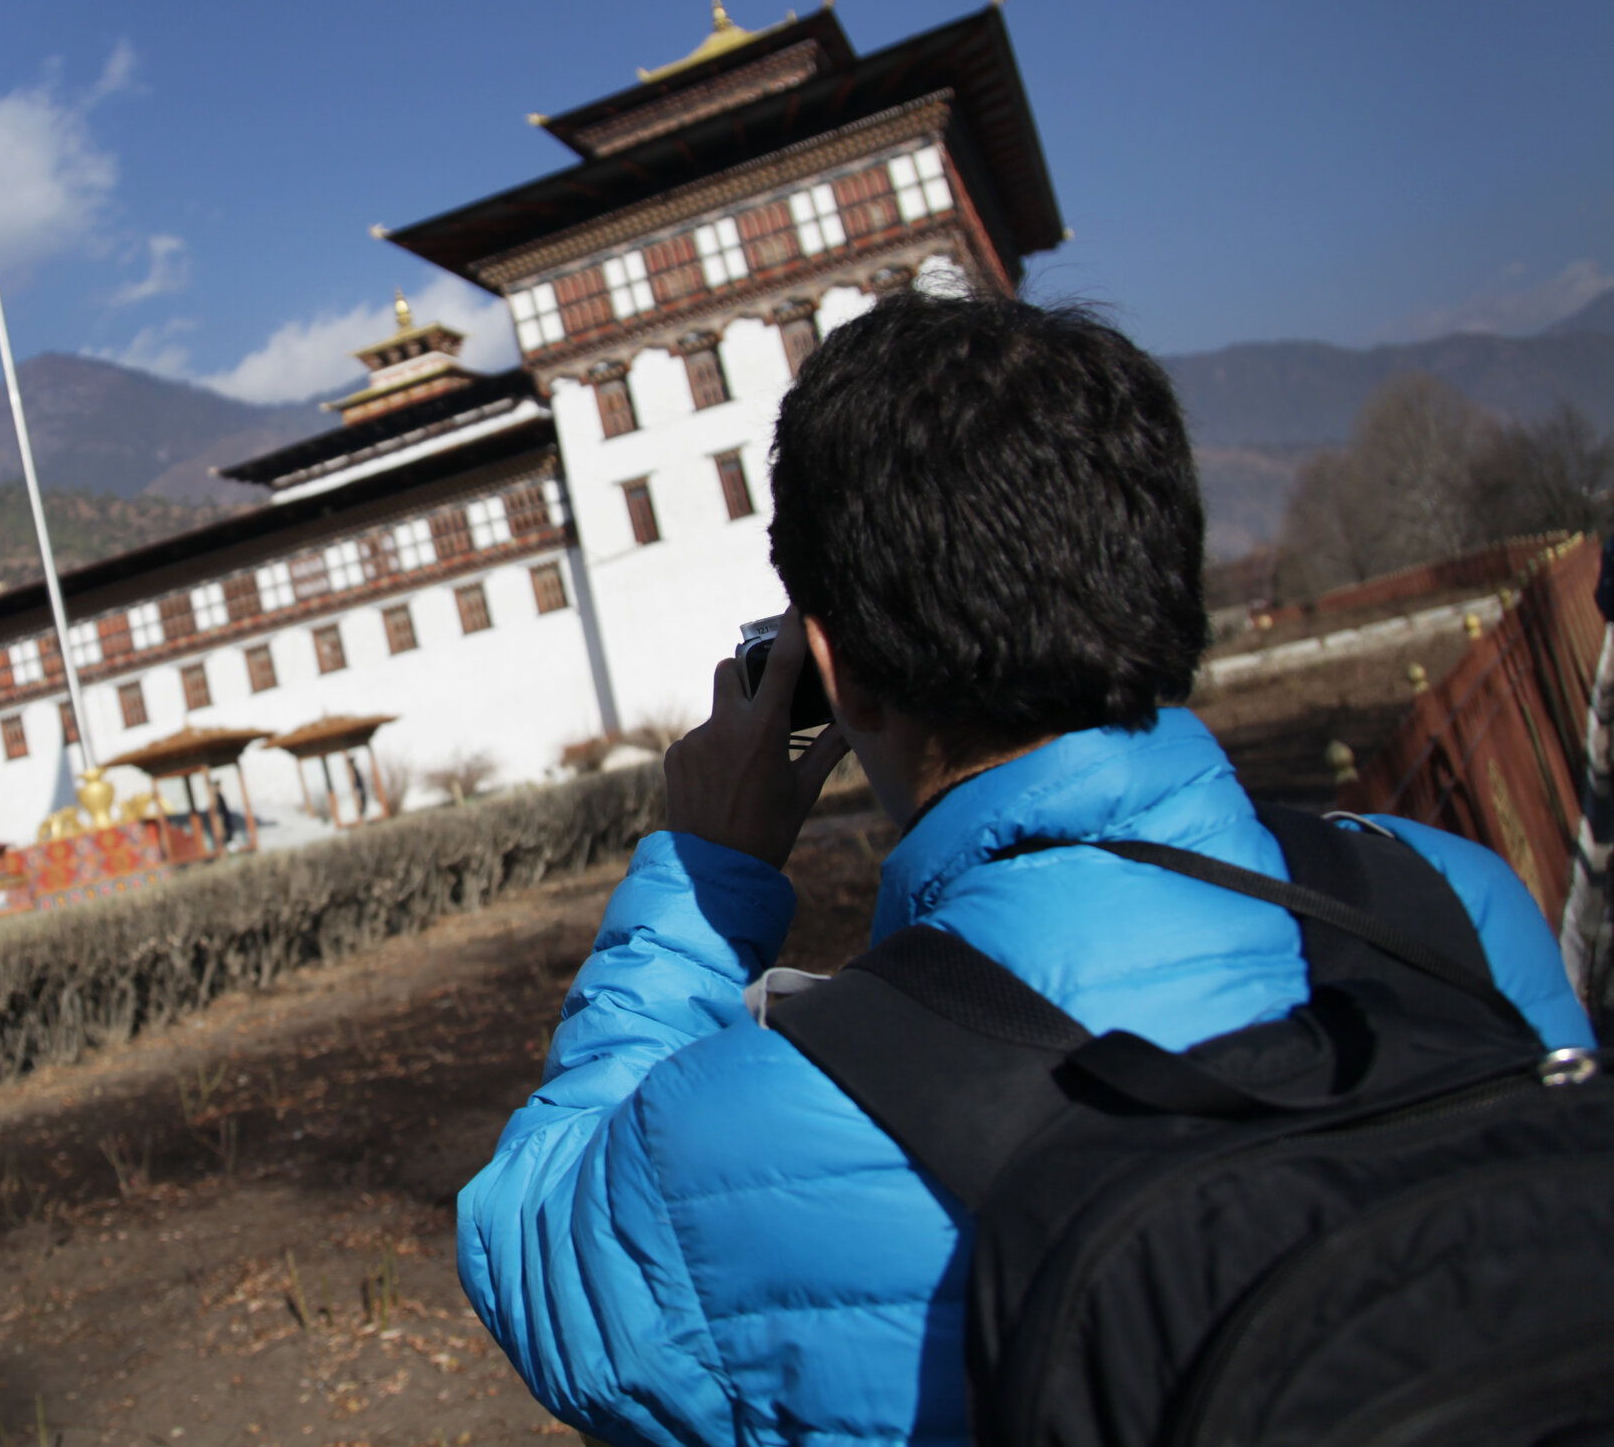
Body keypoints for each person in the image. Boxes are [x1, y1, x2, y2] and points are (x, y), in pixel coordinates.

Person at [455, 292, 1592, 1447]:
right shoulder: (1449, 902)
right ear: (1154, 566)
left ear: (836, 672)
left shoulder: (759, 1122)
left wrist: (707, 874)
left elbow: (531, 1248)